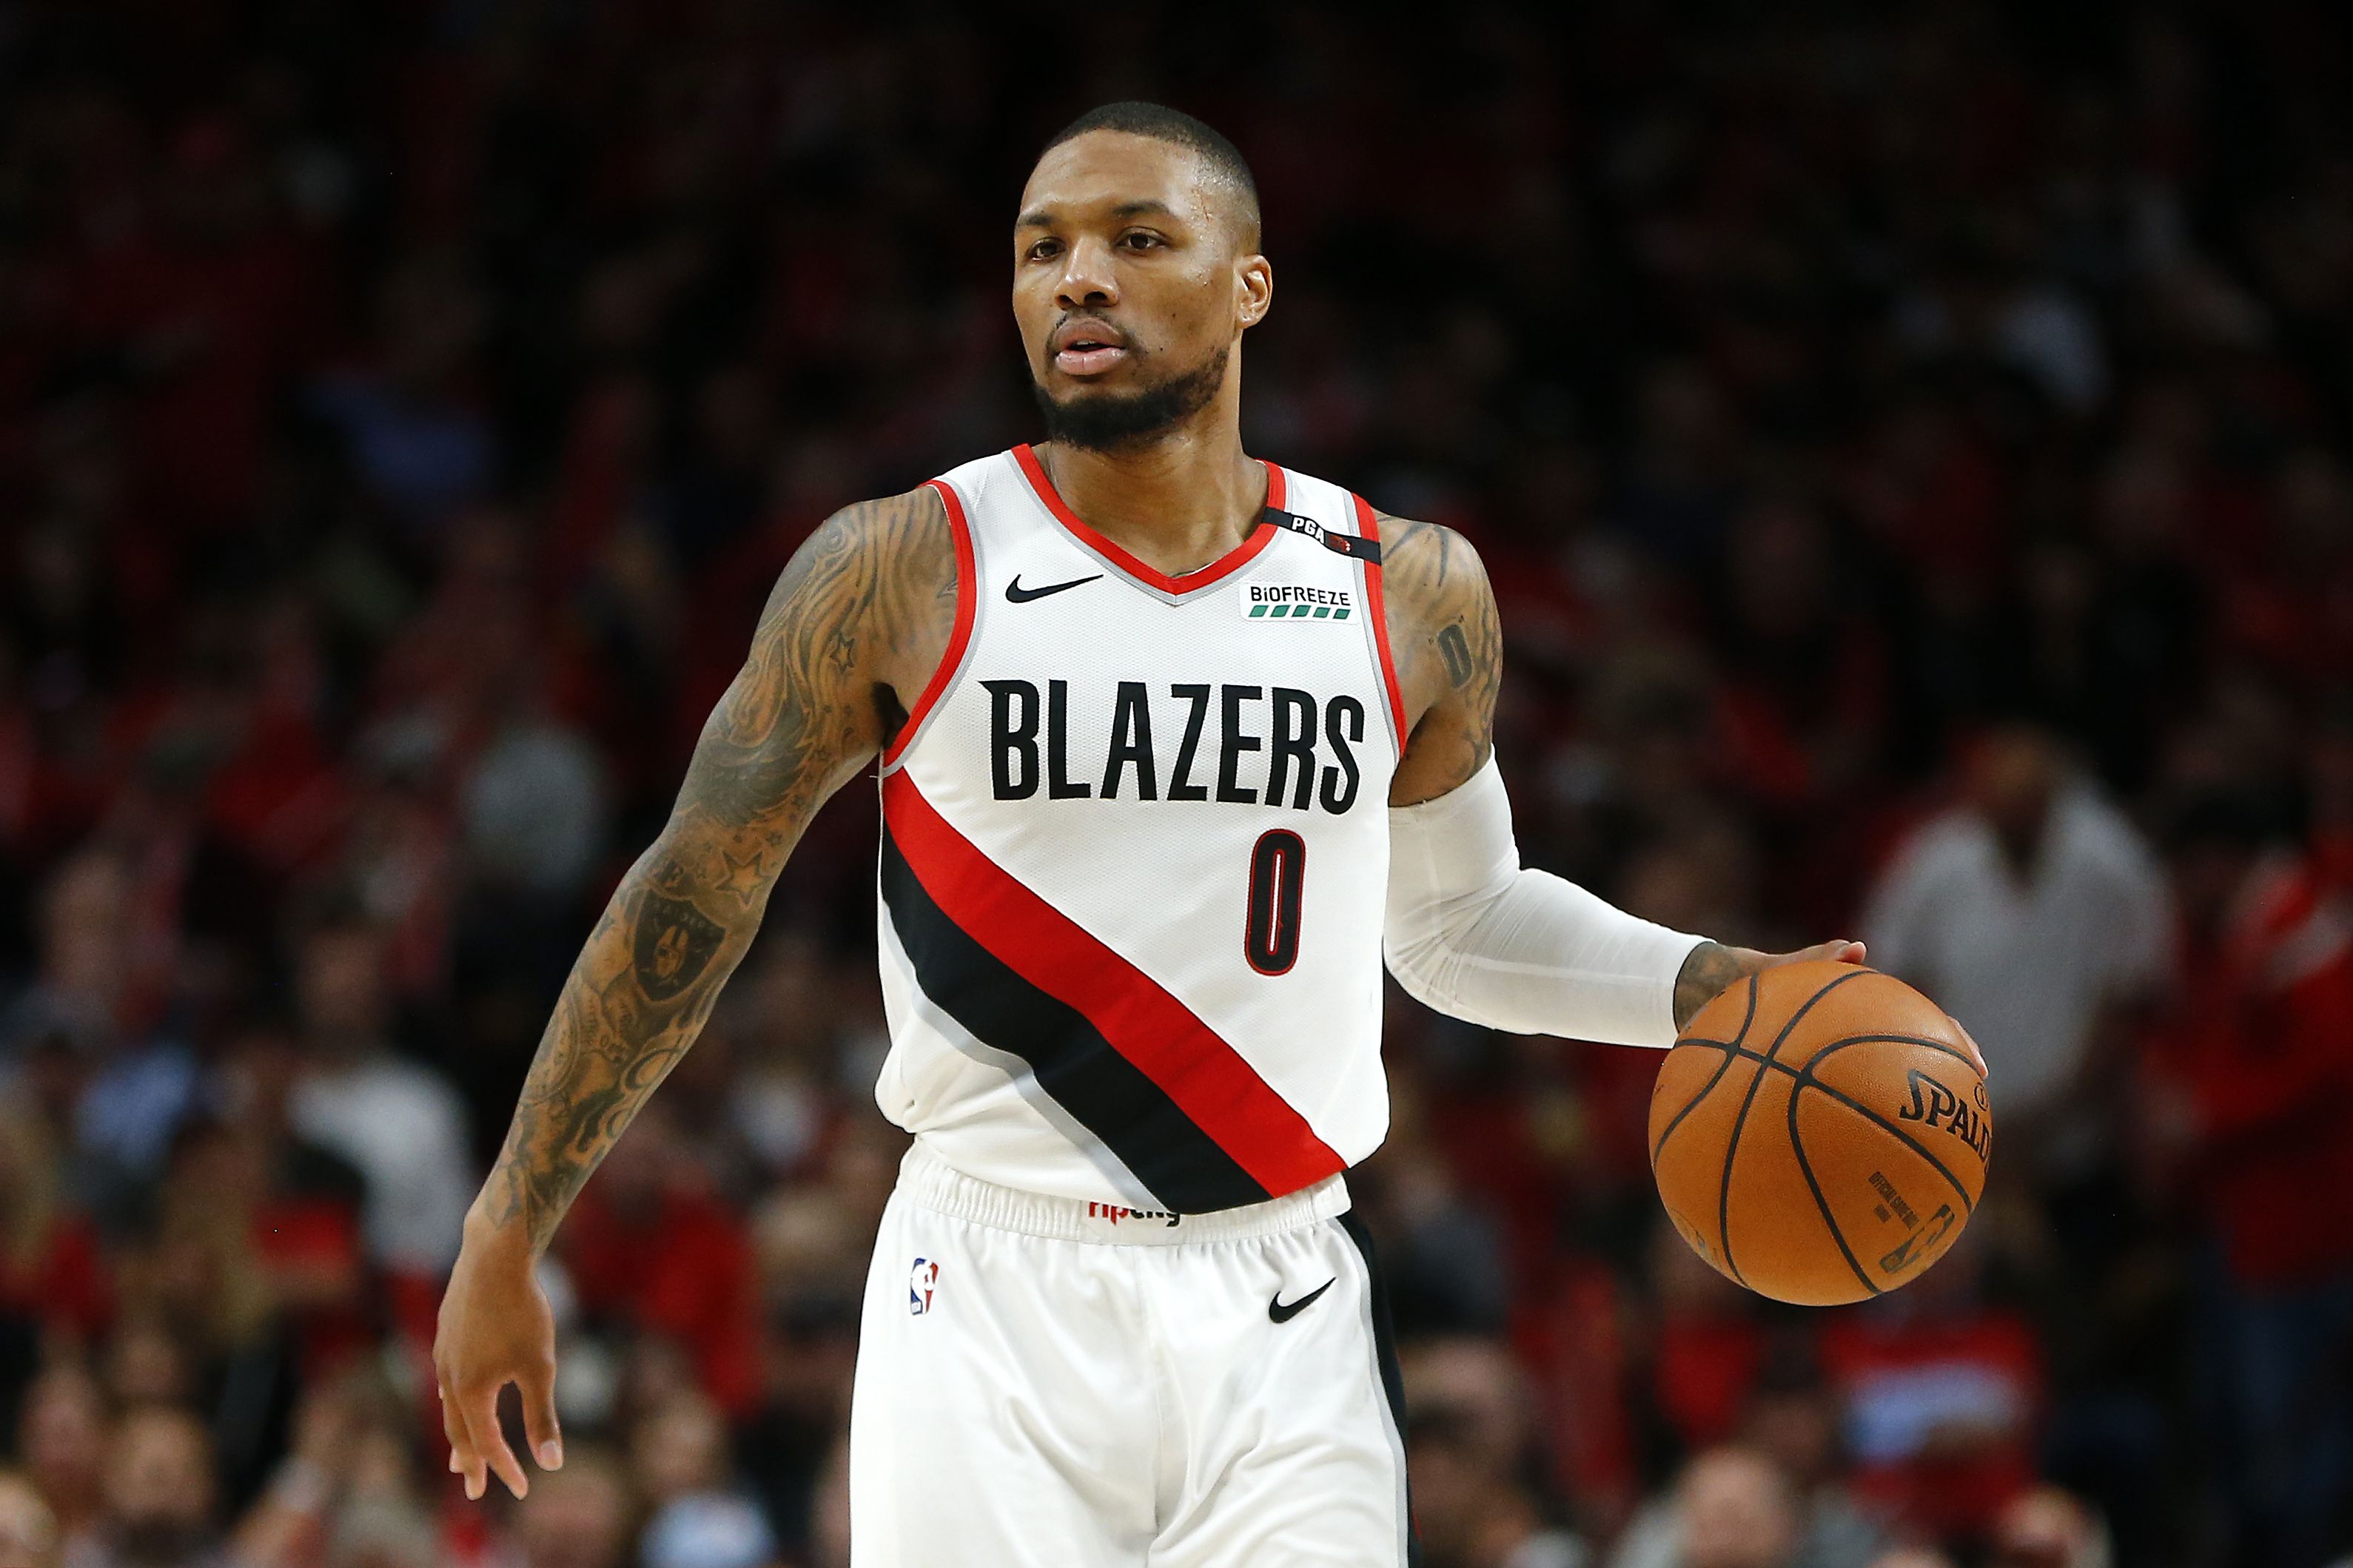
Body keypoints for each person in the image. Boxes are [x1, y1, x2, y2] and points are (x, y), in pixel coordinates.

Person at [434, 102, 1956, 1564]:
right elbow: (691, 895)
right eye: (1041, 248)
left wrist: (1708, 988)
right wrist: (510, 1226)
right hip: (986, 1286)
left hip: (1282, 1296)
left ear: (1250, 288)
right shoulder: (903, 565)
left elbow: (1456, 926)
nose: (1077, 275)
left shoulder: (1408, 589)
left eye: (1135, 238)